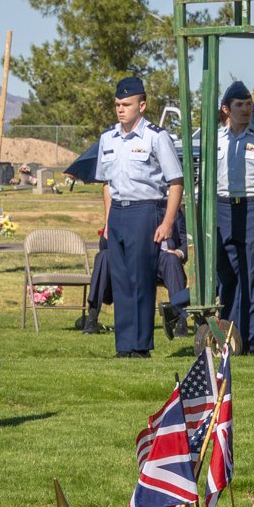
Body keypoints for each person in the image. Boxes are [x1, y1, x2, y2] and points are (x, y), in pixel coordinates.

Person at [97, 76, 184, 358]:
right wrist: (108, 220)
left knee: (141, 280)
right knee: (121, 280)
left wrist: (168, 222)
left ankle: (141, 345)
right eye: (117, 104)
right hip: (118, 214)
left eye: (127, 104)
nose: (121, 109)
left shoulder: (156, 137)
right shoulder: (107, 138)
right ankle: (124, 346)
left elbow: (176, 182)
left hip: (145, 210)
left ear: (142, 105)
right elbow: (107, 184)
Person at [214, 79, 254, 354]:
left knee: (252, 278)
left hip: (252, 208)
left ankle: (249, 343)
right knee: (226, 277)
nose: (246, 109)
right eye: (239, 104)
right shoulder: (214, 139)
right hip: (223, 207)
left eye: (249, 104)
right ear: (226, 109)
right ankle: (227, 340)